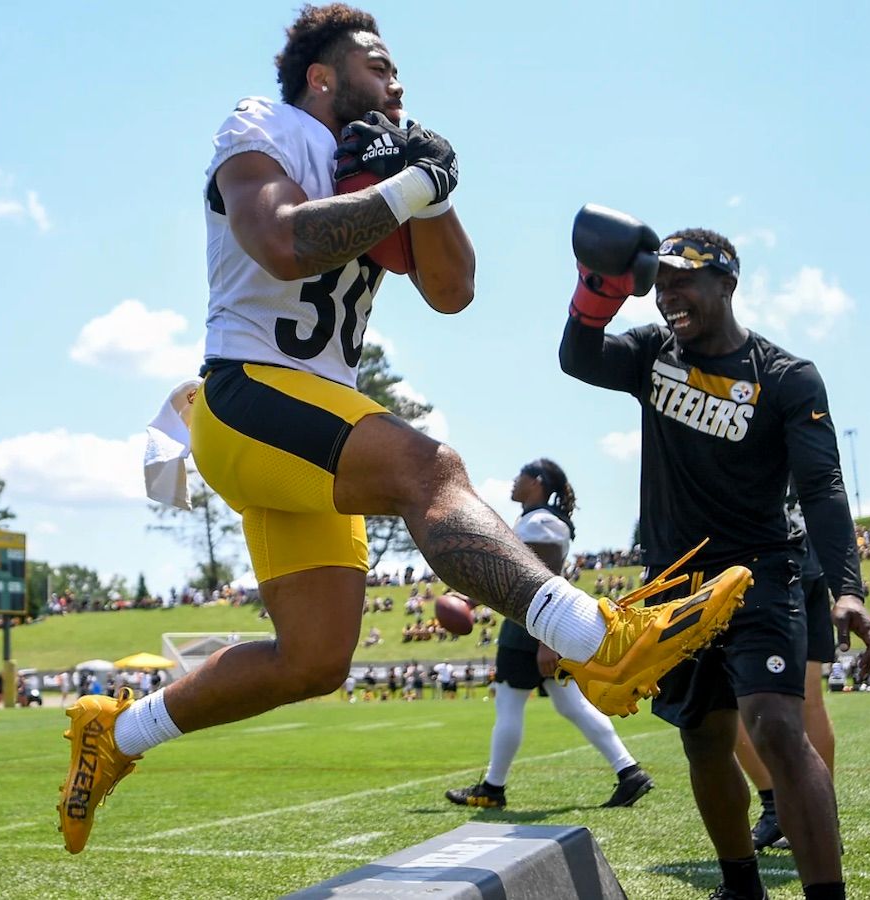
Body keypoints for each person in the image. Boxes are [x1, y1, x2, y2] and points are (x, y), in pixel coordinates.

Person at [58, 4, 745, 855]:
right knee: (430, 468)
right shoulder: (261, 125)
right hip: (249, 396)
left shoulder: (385, 155)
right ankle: (596, 638)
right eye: (378, 65)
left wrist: (428, 182)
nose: (398, 81)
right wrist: (406, 187)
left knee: (313, 660)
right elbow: (278, 243)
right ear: (322, 75)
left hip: (309, 422)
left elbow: (452, 289)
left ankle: (118, 734)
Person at [560, 220, 870, 899]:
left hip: (760, 572)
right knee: (703, 739)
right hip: (673, 584)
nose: (668, 296)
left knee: (776, 728)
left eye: (684, 282)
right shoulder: (651, 352)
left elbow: (821, 487)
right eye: (660, 283)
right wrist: (597, 288)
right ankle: (742, 885)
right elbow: (578, 359)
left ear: (727, 282)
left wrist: (847, 588)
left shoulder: (787, 377)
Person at [446, 460, 656, 810]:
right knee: (570, 703)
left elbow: (543, 579)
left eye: (520, 477)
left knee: (510, 702)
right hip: (544, 622)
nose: (513, 481)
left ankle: (492, 788)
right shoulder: (537, 520)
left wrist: (546, 640)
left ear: (537, 482)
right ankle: (629, 771)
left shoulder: (541, 523)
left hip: (532, 624)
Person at [736, 492, 870, 851]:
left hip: (763, 555)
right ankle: (822, 817)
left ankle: (775, 811)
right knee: (811, 700)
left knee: (723, 703)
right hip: (806, 554)